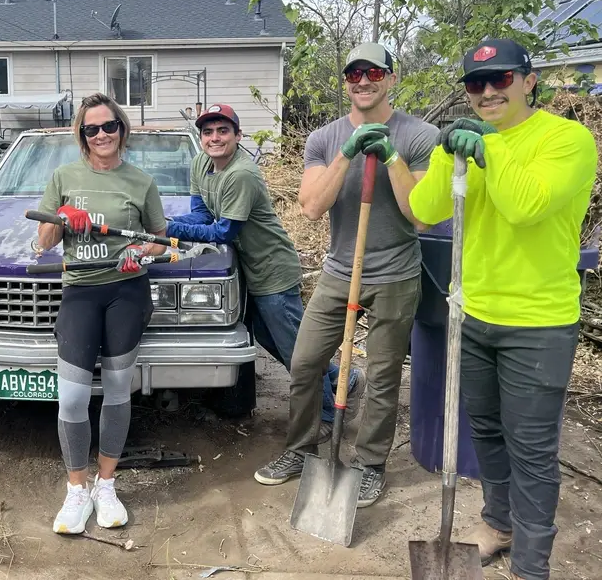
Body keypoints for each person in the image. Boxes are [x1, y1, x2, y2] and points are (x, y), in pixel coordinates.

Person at [409, 38, 597, 580]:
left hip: (538, 322)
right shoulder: (468, 143)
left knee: (532, 448)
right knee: (486, 430)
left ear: (528, 80)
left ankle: (531, 566)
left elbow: (524, 206)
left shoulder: (567, 139)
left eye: (501, 79)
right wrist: (447, 153)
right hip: (473, 315)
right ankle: (498, 524)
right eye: (476, 84)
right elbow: (425, 210)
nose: (488, 92)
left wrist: (492, 148)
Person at [259, 42, 438, 507]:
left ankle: (369, 464)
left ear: (391, 78)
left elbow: (420, 217)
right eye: (354, 73)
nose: (362, 80)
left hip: (396, 274)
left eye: (374, 73)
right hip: (340, 271)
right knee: (304, 364)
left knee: (381, 375)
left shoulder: (420, 136)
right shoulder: (323, 138)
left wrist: (392, 158)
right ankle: (300, 449)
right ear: (346, 81)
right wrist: (348, 153)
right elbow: (313, 207)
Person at [161, 104, 366, 477]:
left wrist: (170, 230)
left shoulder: (242, 174)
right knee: (272, 343)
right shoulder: (200, 166)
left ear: (238, 136)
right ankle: (343, 380)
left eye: (223, 131)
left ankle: (324, 416)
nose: (214, 138)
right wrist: (167, 222)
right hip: (247, 273)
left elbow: (223, 232)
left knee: (297, 351)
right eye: (208, 132)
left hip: (272, 270)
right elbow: (202, 216)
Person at [35, 92, 167, 535]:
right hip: (81, 293)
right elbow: (44, 242)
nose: (101, 135)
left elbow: (160, 240)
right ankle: (76, 489)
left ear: (121, 129)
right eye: (92, 129)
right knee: (71, 397)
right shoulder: (63, 176)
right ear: (82, 135)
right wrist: (62, 218)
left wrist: (141, 253)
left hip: (126, 293)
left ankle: (106, 485)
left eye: (109, 126)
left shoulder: (141, 182)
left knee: (116, 389)